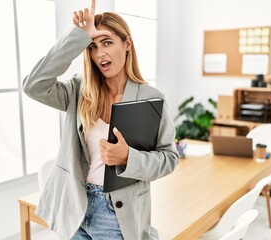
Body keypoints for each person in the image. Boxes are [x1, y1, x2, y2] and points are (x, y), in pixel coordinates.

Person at [22, 0, 179, 239]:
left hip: (116, 213)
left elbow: (168, 158)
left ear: (127, 44)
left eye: (107, 42)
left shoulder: (152, 99)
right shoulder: (79, 91)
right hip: (75, 207)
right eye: (93, 46)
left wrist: (129, 157)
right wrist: (77, 37)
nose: (100, 53)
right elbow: (34, 85)